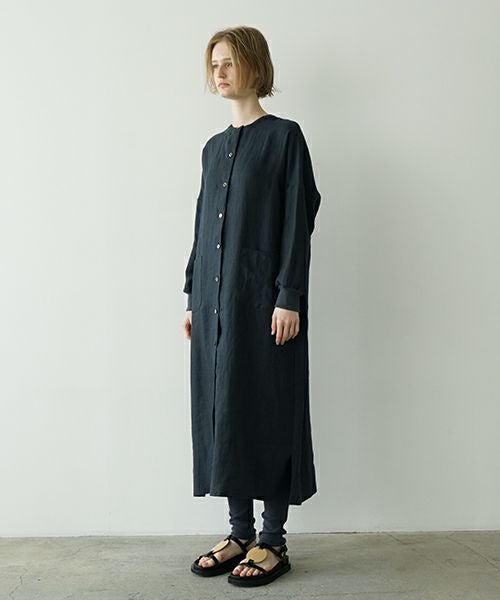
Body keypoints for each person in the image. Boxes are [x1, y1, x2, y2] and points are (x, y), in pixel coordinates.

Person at [182, 25, 321, 587]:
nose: (219, 73)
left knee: (267, 409)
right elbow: (201, 226)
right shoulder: (212, 149)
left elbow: (297, 222)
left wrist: (289, 295)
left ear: (254, 67)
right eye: (213, 64)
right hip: (214, 303)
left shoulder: (285, 138)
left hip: (264, 301)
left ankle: (272, 541)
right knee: (225, 409)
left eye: (229, 62)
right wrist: (192, 295)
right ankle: (238, 532)